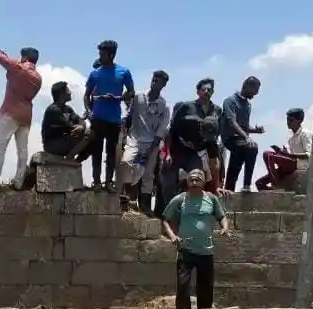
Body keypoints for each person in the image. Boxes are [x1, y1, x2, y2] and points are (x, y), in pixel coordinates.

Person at [162, 168, 230, 309]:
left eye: (197, 180)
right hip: (185, 249)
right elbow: (165, 219)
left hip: (206, 251)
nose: (194, 182)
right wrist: (172, 236)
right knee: (183, 286)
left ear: (203, 182)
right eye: (191, 180)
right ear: (187, 182)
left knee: (205, 288)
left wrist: (225, 227)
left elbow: (221, 216)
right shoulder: (180, 199)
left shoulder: (211, 199)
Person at [84, 40, 135, 191]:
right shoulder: (95, 73)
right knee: (96, 151)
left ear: (111, 54)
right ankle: (97, 182)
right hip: (97, 118)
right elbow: (86, 96)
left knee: (111, 153)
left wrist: (118, 98)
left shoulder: (123, 72)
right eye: (99, 53)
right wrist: (89, 111)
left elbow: (131, 91)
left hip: (114, 119)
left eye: (103, 54)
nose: (100, 56)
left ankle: (108, 183)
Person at [116, 71, 170, 214]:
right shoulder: (139, 97)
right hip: (134, 139)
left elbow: (161, 131)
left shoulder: (164, 106)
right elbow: (129, 117)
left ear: (163, 85)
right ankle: (127, 197)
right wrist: (123, 135)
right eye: (153, 79)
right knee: (126, 163)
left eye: (158, 81)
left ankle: (145, 206)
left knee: (148, 175)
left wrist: (151, 149)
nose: (154, 83)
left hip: (151, 142)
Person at [0, 46, 43, 189]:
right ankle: (18, 182)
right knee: (22, 150)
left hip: (11, 112)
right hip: (26, 115)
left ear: (24, 57)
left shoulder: (17, 67)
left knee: (0, 147)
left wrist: (1, 51)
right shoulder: (38, 78)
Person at [164, 79, 222, 205]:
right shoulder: (185, 107)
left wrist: (217, 185)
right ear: (198, 91)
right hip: (177, 148)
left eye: (210, 90)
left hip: (195, 152)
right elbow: (171, 129)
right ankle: (165, 212)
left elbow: (215, 158)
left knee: (197, 177)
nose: (206, 92)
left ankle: (191, 206)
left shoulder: (217, 110)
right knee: (168, 183)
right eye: (204, 89)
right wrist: (168, 152)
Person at [221, 77, 266, 192]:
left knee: (236, 163)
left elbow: (244, 127)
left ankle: (229, 189)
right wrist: (246, 137)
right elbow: (232, 122)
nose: (256, 94)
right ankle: (247, 184)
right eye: (255, 90)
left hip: (240, 140)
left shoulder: (248, 105)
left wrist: (255, 130)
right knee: (252, 147)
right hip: (230, 138)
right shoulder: (230, 101)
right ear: (247, 86)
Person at [257, 108, 311, 190]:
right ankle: (277, 191)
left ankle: (276, 185)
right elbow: (289, 155)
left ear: (299, 121)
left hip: (300, 165)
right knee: (259, 183)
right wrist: (282, 152)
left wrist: (288, 155)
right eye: (287, 120)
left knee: (268, 155)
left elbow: (308, 155)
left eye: (291, 120)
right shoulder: (291, 138)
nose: (288, 123)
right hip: (290, 165)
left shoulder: (305, 134)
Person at [40, 82, 94, 161]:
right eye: (67, 90)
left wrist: (81, 126)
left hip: (65, 140)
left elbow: (80, 121)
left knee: (95, 140)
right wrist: (80, 127)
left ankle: (75, 162)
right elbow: (70, 128)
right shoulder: (53, 110)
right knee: (90, 134)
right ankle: (69, 159)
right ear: (62, 93)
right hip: (52, 144)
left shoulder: (68, 109)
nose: (70, 93)